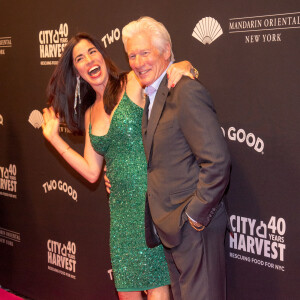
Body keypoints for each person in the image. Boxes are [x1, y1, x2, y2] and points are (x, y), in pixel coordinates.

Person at [42, 32, 196, 300]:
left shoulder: (132, 81)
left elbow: (164, 71)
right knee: (126, 294)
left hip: (151, 208)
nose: (89, 59)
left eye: (92, 51)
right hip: (121, 216)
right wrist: (54, 139)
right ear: (77, 71)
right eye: (80, 58)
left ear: (102, 55)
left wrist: (184, 66)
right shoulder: (90, 112)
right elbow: (92, 171)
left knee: (159, 290)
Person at [121, 17, 231, 300]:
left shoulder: (186, 91)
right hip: (171, 229)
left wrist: (194, 218)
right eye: (132, 55)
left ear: (166, 51)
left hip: (193, 228)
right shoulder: (153, 94)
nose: (138, 62)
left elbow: (216, 162)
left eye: (145, 53)